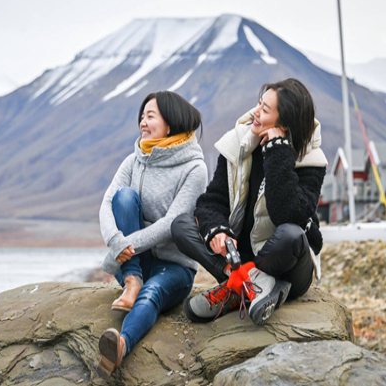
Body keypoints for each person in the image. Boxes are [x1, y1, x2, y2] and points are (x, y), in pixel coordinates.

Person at [171, 78, 328, 326]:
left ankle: (238, 287)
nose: (255, 112)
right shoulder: (238, 144)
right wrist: (217, 231)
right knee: (182, 225)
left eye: (265, 110)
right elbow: (212, 202)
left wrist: (277, 150)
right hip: (238, 258)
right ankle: (244, 282)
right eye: (259, 104)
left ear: (284, 124)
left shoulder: (311, 160)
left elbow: (288, 214)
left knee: (291, 234)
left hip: (289, 266)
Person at [97, 91, 207, 377]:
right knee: (123, 197)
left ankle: (120, 346)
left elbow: (171, 223)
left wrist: (121, 251)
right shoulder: (133, 161)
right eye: (142, 116)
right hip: (135, 263)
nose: (142, 123)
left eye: (150, 116)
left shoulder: (195, 169)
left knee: (152, 293)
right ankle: (131, 280)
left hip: (175, 268)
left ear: (170, 123)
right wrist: (115, 243)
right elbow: (106, 204)